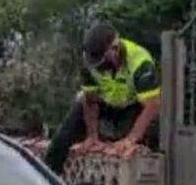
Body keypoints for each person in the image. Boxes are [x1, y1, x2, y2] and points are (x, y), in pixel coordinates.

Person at [45, 22, 161, 174]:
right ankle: (49, 173)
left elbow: (152, 106)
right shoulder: (88, 62)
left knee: (121, 145)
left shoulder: (140, 62)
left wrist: (131, 139)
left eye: (102, 64)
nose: (99, 69)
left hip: (132, 108)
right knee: (73, 115)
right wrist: (92, 136)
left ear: (115, 49)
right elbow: (90, 100)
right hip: (106, 104)